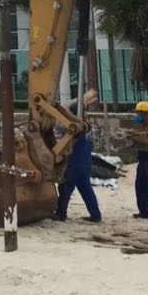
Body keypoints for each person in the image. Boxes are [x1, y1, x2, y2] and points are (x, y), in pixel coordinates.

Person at [54, 89, 102, 223]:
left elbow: (60, 129)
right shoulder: (87, 126)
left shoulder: (74, 127)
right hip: (86, 162)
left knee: (65, 187)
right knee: (86, 189)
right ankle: (95, 214)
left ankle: (60, 213)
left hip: (74, 162)